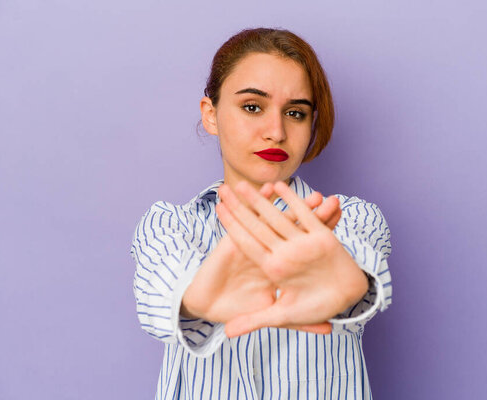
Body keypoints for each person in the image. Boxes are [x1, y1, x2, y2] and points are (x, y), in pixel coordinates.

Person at [130, 27, 392, 399]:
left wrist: (350, 284)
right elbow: (165, 290)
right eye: (252, 107)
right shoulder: (169, 225)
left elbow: (358, 264)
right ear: (211, 115)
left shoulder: (350, 217)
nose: (276, 131)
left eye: (296, 113)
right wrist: (193, 300)